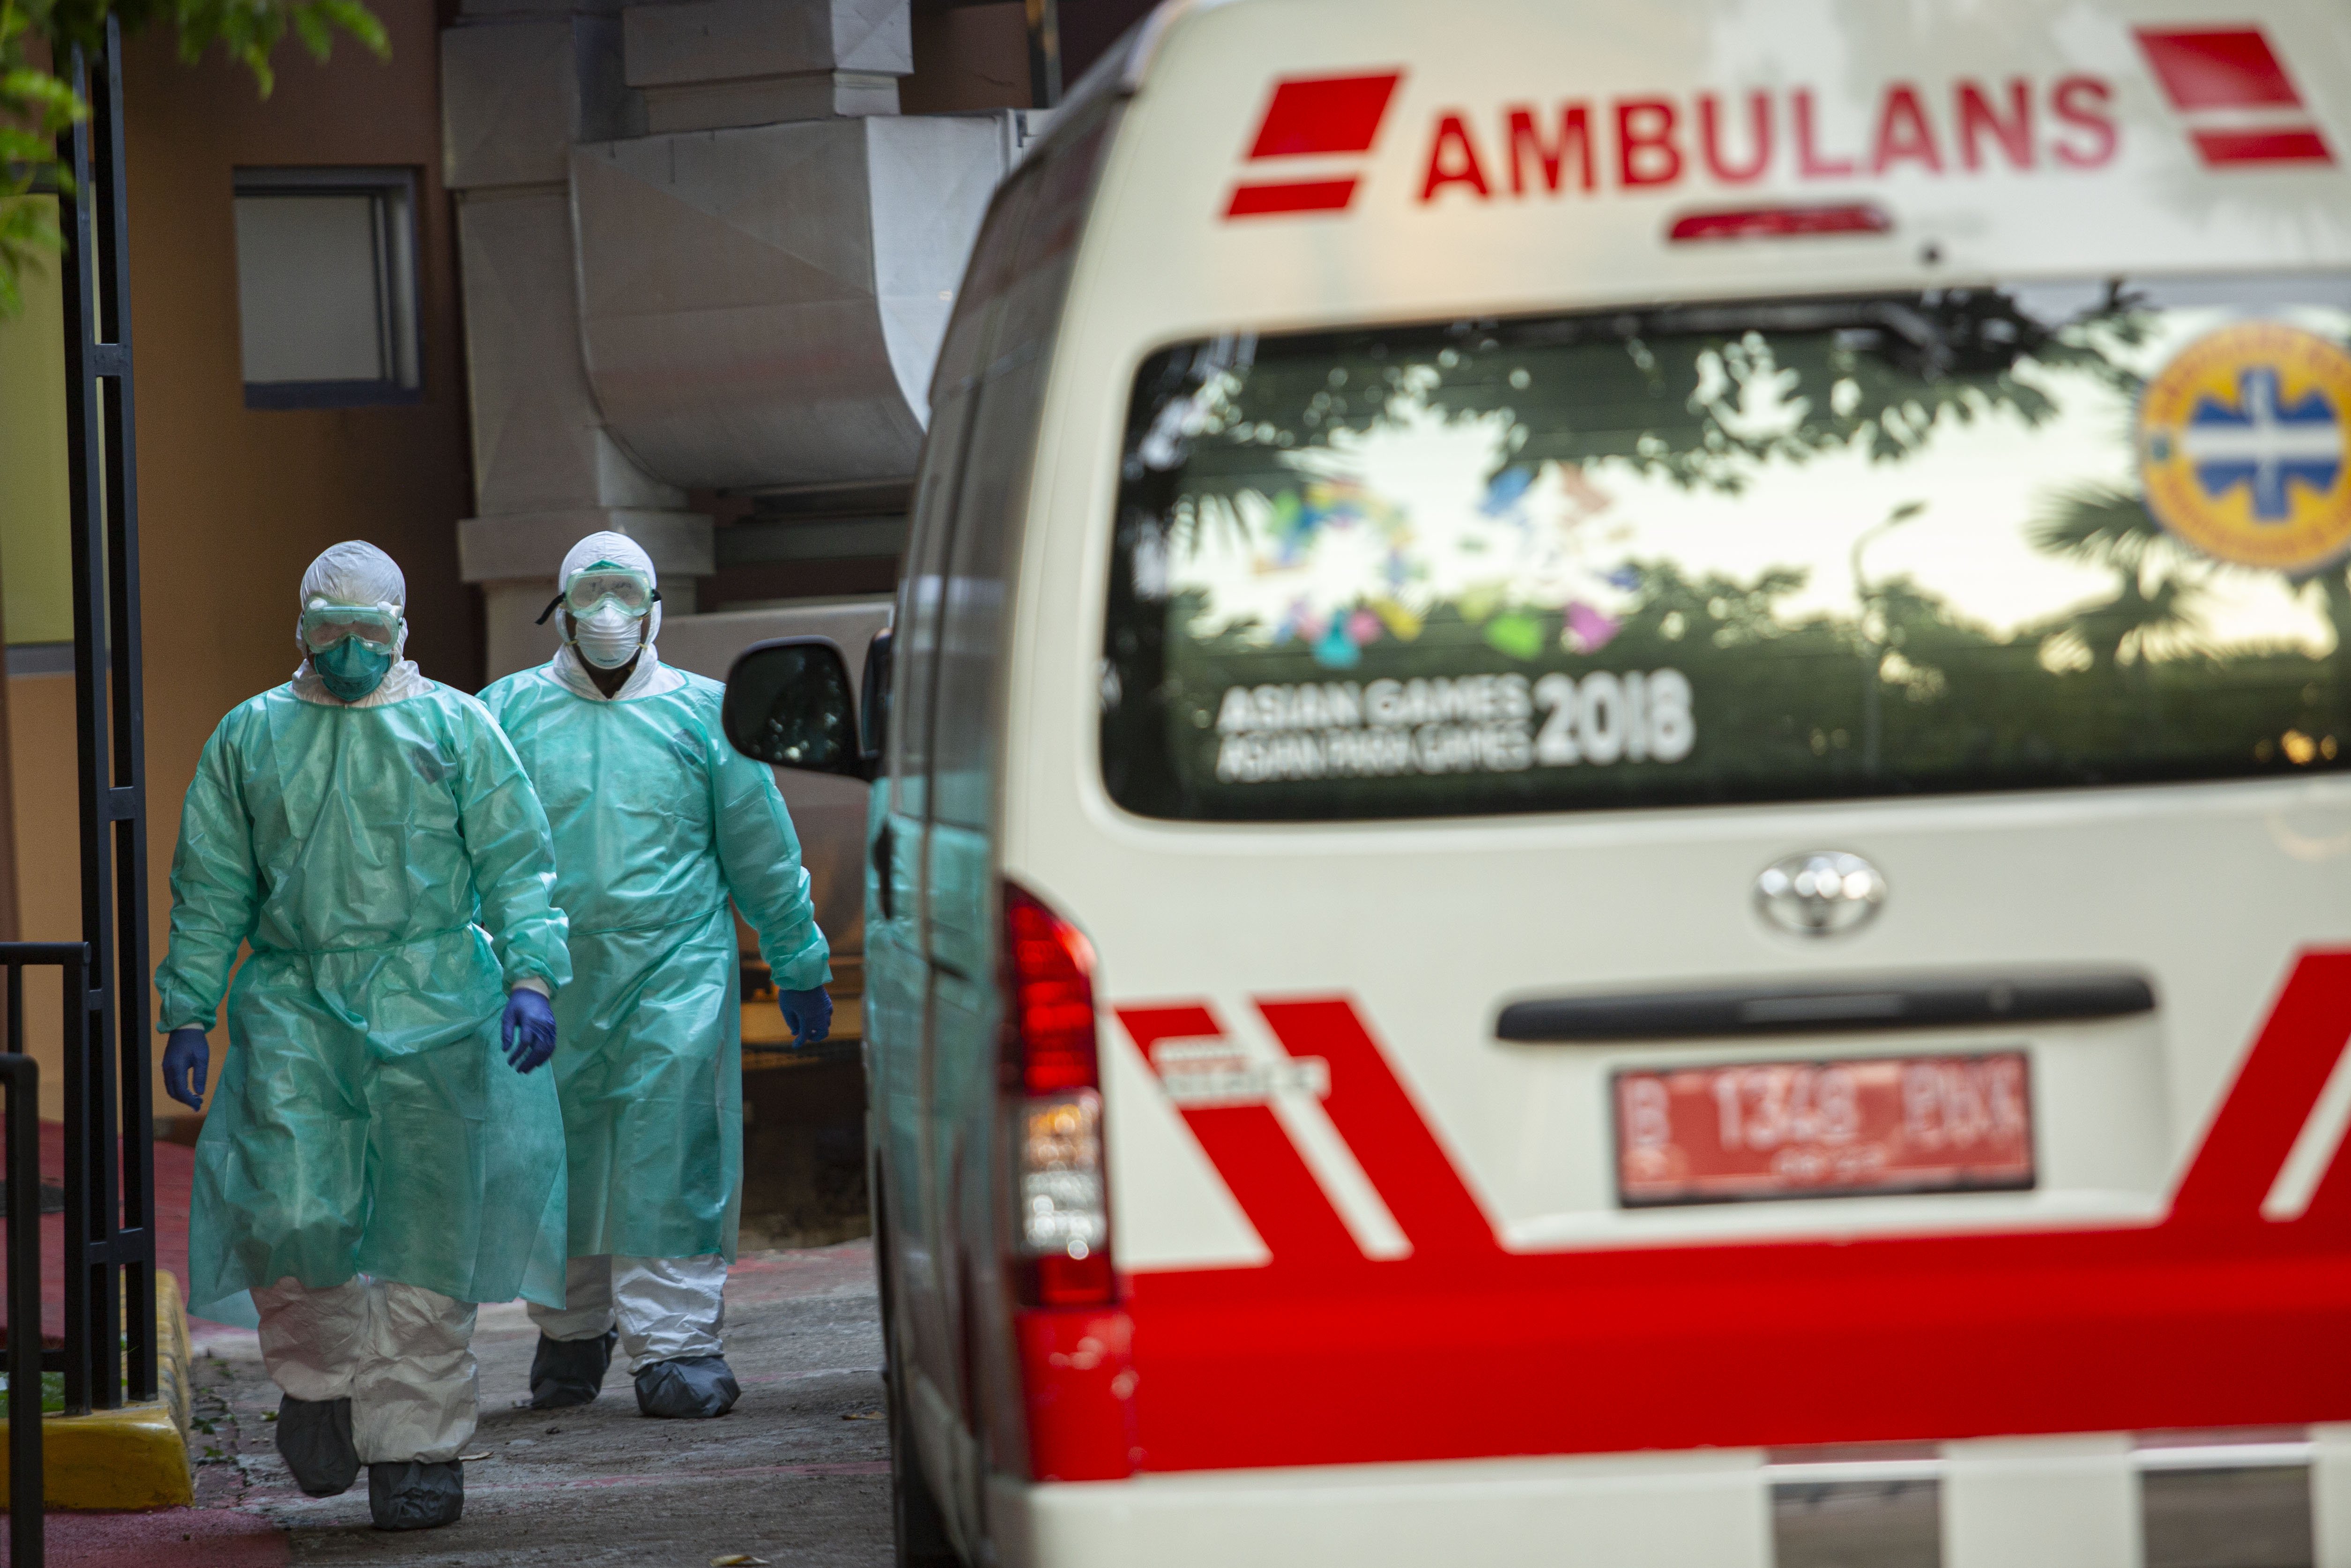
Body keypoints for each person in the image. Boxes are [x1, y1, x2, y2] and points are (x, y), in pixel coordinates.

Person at [154, 542, 572, 1532]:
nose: (347, 649)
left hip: (437, 1000)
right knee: (292, 1208)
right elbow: (211, 885)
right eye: (328, 629)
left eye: (367, 632)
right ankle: (319, 1383)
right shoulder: (250, 737)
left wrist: (530, 974)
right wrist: (187, 1003)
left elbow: (518, 861)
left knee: (429, 1229)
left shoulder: (456, 727)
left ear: (401, 632)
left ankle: (417, 1448)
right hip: (295, 1004)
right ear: (299, 627)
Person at [478, 531, 833, 1420]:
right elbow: (467, 851)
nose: (607, 613)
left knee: (665, 1152)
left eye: (624, 592)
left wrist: (797, 957)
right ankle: (571, 1327)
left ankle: (676, 1346)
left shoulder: (708, 716)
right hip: (543, 977)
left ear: (654, 607)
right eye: (590, 592)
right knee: (552, 1156)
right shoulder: (501, 716)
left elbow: (761, 848)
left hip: (675, 973)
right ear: (557, 608)